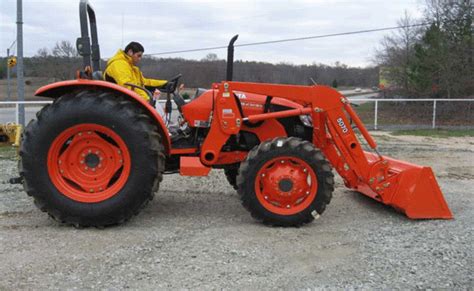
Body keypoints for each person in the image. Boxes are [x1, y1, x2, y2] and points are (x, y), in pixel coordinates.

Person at [103, 42, 168, 103]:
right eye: (138, 55)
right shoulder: (118, 65)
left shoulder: (132, 68)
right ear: (130, 52)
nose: (140, 59)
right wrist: (147, 99)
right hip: (117, 101)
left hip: (126, 100)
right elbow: (128, 86)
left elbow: (144, 82)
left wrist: (164, 83)